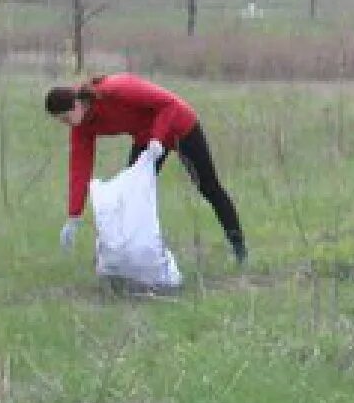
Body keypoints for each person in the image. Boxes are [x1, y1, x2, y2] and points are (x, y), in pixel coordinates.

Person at [45, 72, 248, 264]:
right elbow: (80, 169)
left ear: (77, 104)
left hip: (180, 126)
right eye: (61, 121)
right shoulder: (81, 127)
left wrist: (158, 138)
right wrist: (74, 216)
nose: (66, 124)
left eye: (66, 118)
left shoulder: (114, 89)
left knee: (209, 188)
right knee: (130, 195)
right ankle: (125, 259)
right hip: (146, 140)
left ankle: (239, 249)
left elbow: (169, 104)